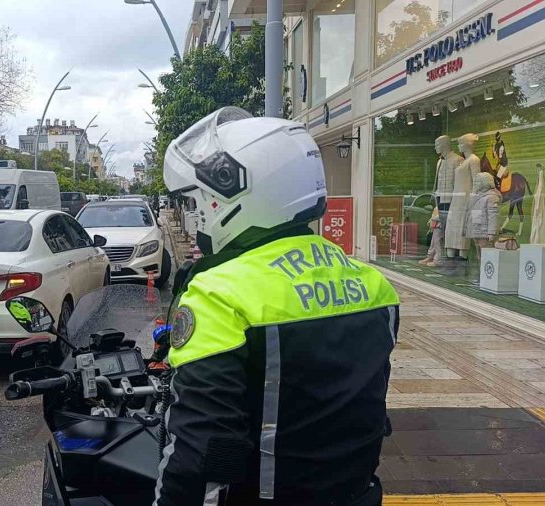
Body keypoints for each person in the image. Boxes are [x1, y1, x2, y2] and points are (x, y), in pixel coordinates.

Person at [155, 107, 400, 505]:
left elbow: (205, 453)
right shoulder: (373, 285)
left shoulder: (220, 293)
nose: (198, 218)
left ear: (236, 196)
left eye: (200, 202)